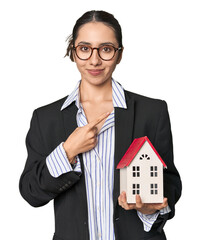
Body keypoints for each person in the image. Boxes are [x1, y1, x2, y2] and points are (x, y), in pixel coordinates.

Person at [19, 10, 182, 240]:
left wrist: (150, 207)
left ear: (119, 54)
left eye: (106, 49)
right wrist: (68, 151)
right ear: (73, 52)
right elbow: (31, 192)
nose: (94, 60)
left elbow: (171, 184)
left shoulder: (152, 112)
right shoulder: (46, 118)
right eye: (85, 49)